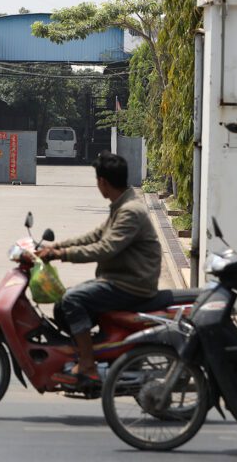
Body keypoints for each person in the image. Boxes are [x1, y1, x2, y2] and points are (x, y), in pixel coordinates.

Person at [36, 151, 162, 385]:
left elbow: (105, 248)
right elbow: (94, 235)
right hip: (119, 279)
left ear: (102, 182)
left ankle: (87, 364)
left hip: (131, 284)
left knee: (72, 300)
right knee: (63, 302)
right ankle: (90, 351)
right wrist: (55, 246)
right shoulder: (122, 204)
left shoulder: (130, 211)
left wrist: (61, 255)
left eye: (97, 180)